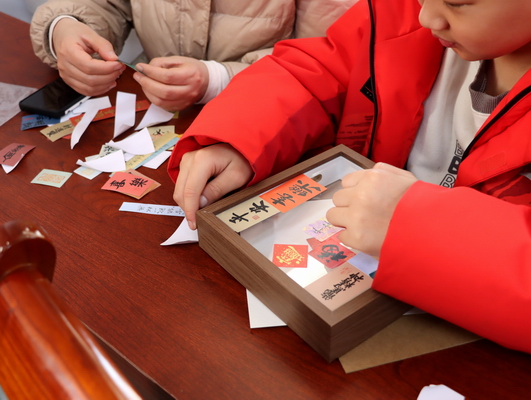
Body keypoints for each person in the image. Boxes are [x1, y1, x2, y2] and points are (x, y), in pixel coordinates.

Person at [168, 0, 531, 354]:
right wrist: (240, 137)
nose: (426, 16)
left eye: (458, 3)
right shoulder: (399, 12)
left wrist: (417, 230)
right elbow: (319, 72)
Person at [29, 0, 356, 111]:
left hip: (265, 125)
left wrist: (217, 79)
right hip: (157, 111)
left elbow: (330, 63)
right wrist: (65, 26)